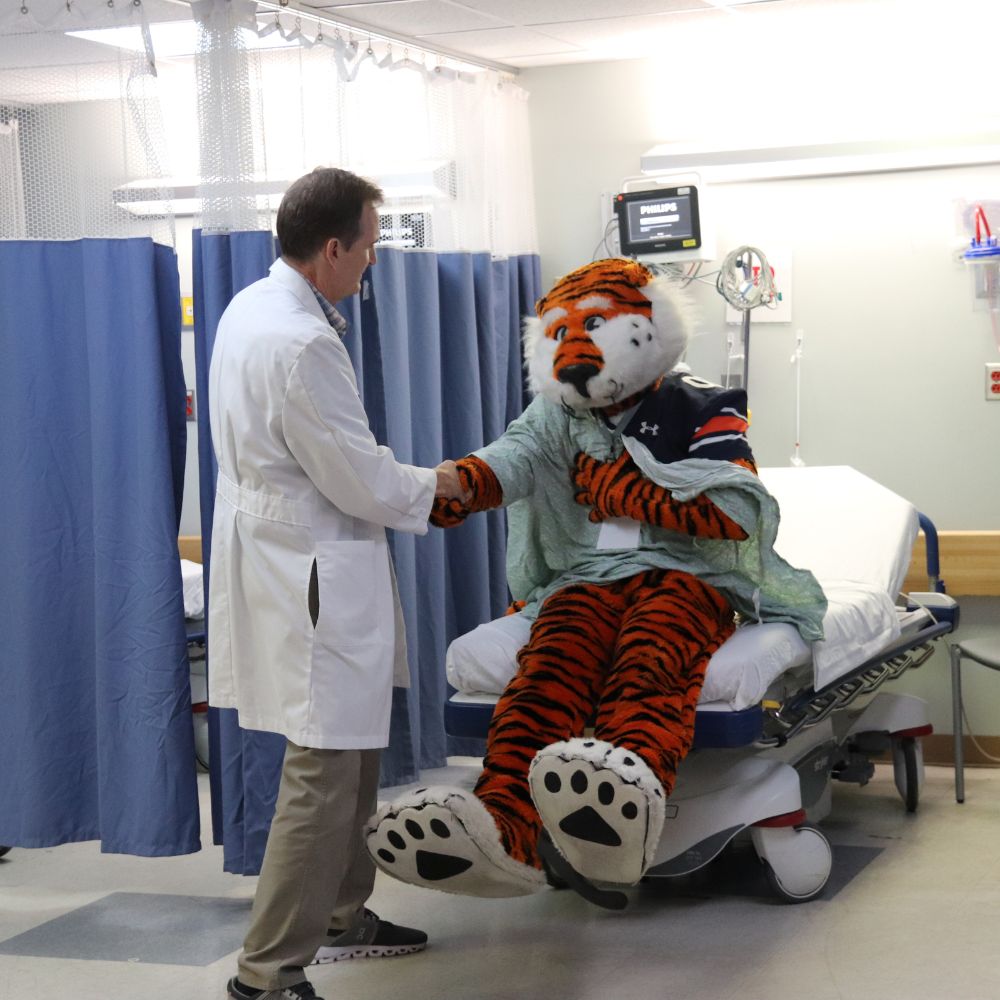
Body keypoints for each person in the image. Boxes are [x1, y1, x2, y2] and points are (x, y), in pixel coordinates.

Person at [207, 166, 465, 1000]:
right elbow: (357, 475)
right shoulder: (302, 342)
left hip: (288, 557)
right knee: (321, 772)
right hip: (312, 566)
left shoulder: (252, 307)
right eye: (368, 247)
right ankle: (267, 972)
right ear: (330, 248)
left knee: (351, 752)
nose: (372, 263)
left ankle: (346, 915)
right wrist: (445, 485)